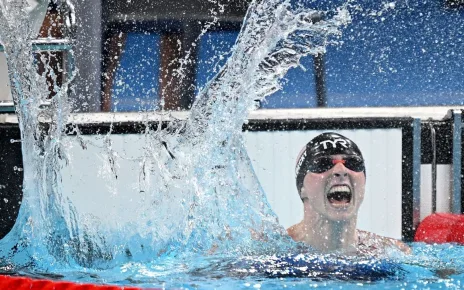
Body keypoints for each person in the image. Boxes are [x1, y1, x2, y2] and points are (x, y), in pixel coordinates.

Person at [287, 132, 411, 256]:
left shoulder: (391, 252)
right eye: (323, 164)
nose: (341, 170)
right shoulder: (277, 249)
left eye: (353, 163)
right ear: (302, 187)